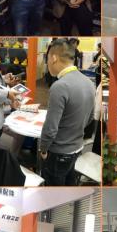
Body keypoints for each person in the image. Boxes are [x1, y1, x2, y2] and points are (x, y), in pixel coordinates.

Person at [39, 39, 96, 186]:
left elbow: (50, 128)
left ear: (53, 58)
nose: (47, 64)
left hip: (58, 152)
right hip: (77, 148)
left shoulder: (60, 86)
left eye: (47, 59)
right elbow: (90, 117)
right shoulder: (89, 82)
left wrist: (43, 149)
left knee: (53, 192)